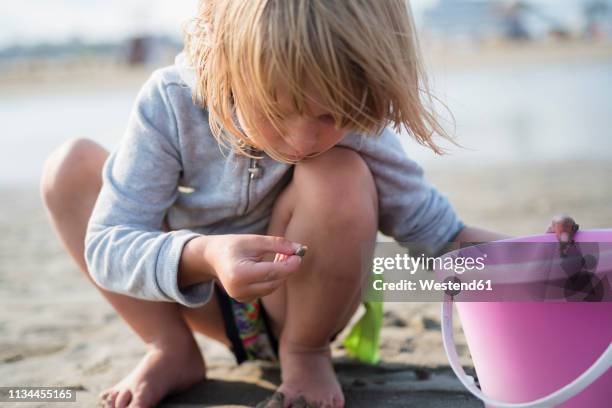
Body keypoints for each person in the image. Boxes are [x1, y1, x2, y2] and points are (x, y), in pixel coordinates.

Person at [40, 1, 578, 407]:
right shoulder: (172, 104)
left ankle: (306, 353)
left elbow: (441, 237)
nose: (303, 138)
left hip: (302, 302)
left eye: (331, 116)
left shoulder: (353, 122)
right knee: (70, 168)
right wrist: (203, 255)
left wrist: (541, 256)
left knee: (339, 172)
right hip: (196, 301)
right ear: (225, 60)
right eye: (279, 108)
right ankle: (170, 349)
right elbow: (108, 245)